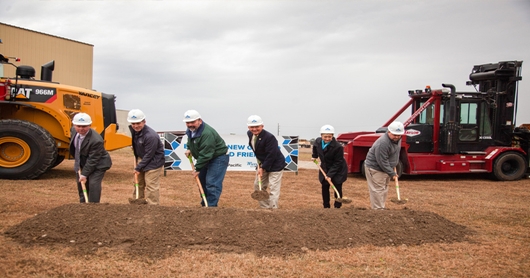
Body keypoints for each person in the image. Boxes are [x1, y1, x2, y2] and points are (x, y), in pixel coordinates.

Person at [183, 110, 229, 207]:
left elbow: (206, 154)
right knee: (202, 182)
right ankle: (205, 204)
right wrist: (189, 148)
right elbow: (191, 141)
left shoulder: (207, 133)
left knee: (212, 182)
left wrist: (197, 168)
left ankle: (211, 208)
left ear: (200, 120)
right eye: (188, 122)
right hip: (206, 158)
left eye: (193, 122)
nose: (190, 124)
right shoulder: (191, 130)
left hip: (218, 158)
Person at [69, 113, 112, 203]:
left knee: (93, 184)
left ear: (90, 125)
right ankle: (83, 205)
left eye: (84, 126)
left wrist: (84, 174)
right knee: (81, 183)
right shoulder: (73, 130)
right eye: (78, 126)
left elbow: (93, 160)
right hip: (84, 161)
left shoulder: (96, 140)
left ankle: (93, 207)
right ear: (74, 125)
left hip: (99, 164)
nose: (81, 129)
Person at [247, 115, 286, 209]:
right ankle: (264, 208)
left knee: (273, 188)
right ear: (248, 127)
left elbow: (271, 155)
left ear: (262, 126)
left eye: (257, 127)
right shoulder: (250, 134)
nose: (254, 129)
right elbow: (258, 151)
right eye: (252, 127)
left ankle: (273, 209)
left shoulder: (269, 137)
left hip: (276, 165)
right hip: (263, 163)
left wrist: (263, 168)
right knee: (258, 186)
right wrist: (260, 165)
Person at [364, 121, 404, 209]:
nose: (397, 137)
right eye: (394, 135)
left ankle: (381, 208)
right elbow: (382, 161)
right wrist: (392, 173)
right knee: (378, 190)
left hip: (387, 167)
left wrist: (394, 164)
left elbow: (395, 153)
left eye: (399, 135)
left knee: (384, 189)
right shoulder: (383, 143)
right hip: (376, 168)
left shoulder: (397, 139)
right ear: (389, 131)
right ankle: (378, 211)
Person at [128, 109, 165, 205]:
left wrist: (138, 167)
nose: (135, 126)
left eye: (138, 123)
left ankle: (152, 206)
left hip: (154, 161)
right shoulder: (135, 131)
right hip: (143, 158)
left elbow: (149, 154)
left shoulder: (150, 136)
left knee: (151, 185)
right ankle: (137, 203)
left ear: (144, 121)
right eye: (133, 123)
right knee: (138, 183)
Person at [312, 125, 348, 208]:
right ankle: (326, 206)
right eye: (325, 136)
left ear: (332, 136)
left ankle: (337, 206)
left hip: (338, 169)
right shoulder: (318, 141)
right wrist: (314, 156)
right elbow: (315, 147)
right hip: (324, 168)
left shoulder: (338, 147)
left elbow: (338, 162)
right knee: (324, 186)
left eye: (329, 136)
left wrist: (330, 175)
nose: (327, 138)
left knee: (337, 186)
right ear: (321, 136)